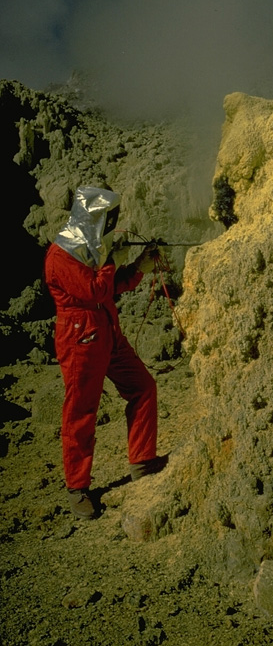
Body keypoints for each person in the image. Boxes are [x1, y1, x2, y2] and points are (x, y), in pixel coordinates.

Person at [44, 185, 168, 520]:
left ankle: (142, 461)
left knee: (143, 387)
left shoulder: (90, 246)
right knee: (81, 412)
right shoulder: (61, 255)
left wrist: (139, 264)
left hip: (105, 329)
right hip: (80, 338)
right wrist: (113, 258)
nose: (113, 223)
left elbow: (109, 288)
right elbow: (96, 288)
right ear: (93, 217)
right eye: (108, 218)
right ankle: (77, 488)